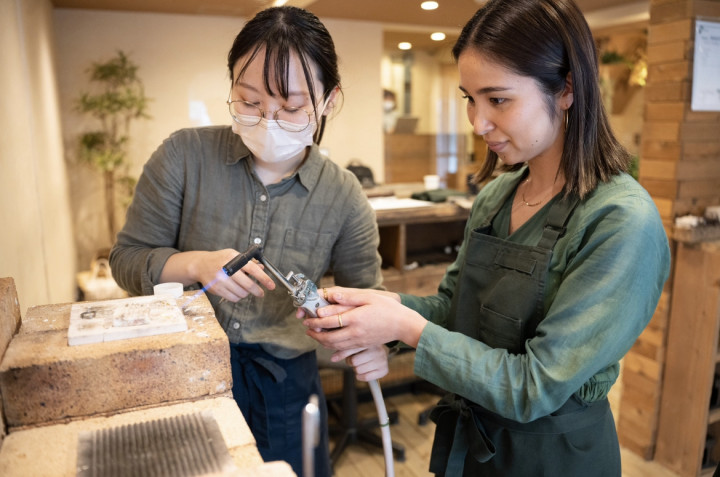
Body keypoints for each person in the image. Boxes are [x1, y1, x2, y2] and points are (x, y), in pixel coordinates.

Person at [302, 0, 671, 475]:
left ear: (566, 90)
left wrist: (405, 329)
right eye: (469, 99)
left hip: (552, 459)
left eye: (498, 100)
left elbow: (533, 386)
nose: (478, 123)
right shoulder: (497, 195)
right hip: (473, 449)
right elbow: (454, 312)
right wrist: (379, 312)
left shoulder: (620, 222)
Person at [109, 6, 384, 477]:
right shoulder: (183, 156)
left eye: (292, 107)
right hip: (183, 371)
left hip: (285, 387)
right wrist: (195, 265)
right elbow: (126, 261)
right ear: (231, 84)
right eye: (249, 101)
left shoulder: (343, 195)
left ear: (329, 100)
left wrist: (360, 335)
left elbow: (368, 304)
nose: (267, 120)